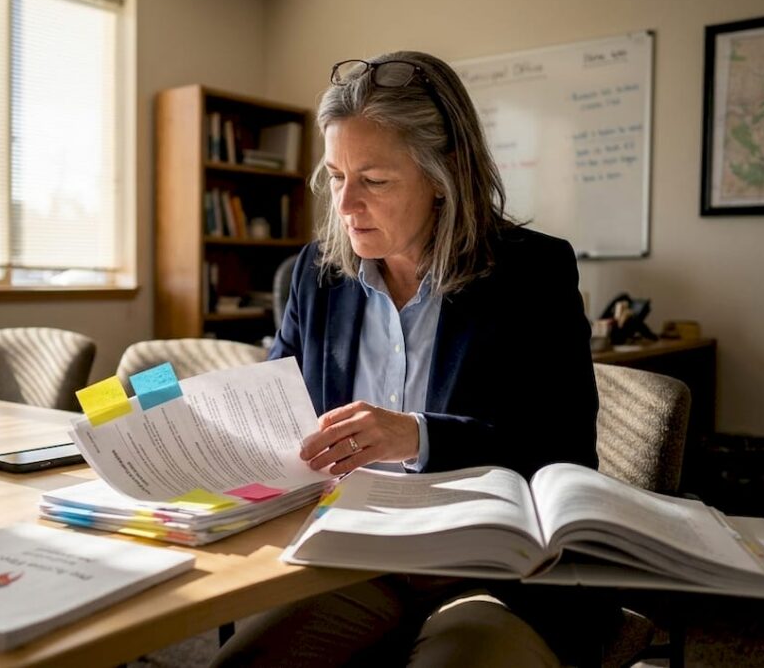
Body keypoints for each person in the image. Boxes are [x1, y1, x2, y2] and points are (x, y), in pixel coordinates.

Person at [212, 50, 600, 668]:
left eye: (374, 180)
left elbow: (562, 447)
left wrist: (417, 437)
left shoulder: (530, 273)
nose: (344, 204)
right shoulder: (316, 275)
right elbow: (276, 403)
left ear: (443, 176)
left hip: (488, 570)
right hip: (352, 557)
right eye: (336, 176)